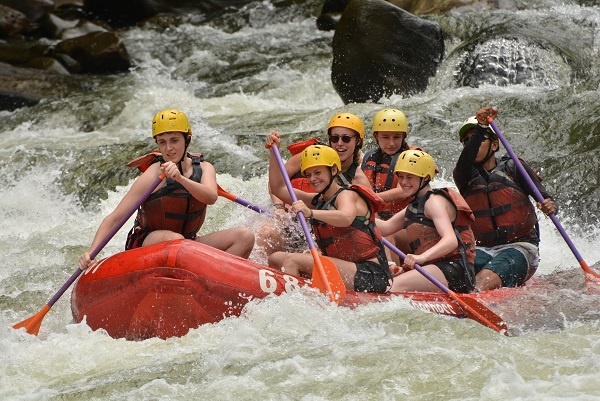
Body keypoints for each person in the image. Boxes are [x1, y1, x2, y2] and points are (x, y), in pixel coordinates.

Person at [78, 109, 255, 270]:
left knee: (244, 236)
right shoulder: (154, 173)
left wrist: (180, 178)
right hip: (148, 241)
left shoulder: (205, 168)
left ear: (187, 139)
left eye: (174, 140)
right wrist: (91, 252)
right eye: (162, 142)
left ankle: (213, 283)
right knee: (176, 241)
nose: (169, 148)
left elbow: (211, 196)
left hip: (188, 243)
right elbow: (115, 218)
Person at [265, 134, 392, 293]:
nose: (313, 179)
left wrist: (310, 213)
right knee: (275, 258)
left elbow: (345, 217)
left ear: (333, 170)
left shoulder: (346, 195)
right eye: (309, 174)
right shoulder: (319, 200)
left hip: (372, 275)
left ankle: (294, 307)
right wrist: (272, 151)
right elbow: (278, 188)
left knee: (292, 260)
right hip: (347, 268)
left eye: (318, 173)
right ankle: (303, 292)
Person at [453, 107, 557, 291]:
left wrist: (549, 204)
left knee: (483, 279)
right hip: (482, 249)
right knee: (454, 272)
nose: (472, 144)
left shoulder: (514, 167)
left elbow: (545, 197)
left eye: (477, 139)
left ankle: (475, 296)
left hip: (521, 248)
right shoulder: (464, 176)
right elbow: (464, 161)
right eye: (467, 141)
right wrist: (480, 129)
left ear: (494, 145)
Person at [256, 112, 370, 256]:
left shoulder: (358, 181)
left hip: (325, 232)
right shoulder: (311, 155)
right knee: (268, 233)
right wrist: (279, 207)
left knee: (304, 255)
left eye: (346, 139)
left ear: (358, 141)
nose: (339, 143)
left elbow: (367, 222)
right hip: (294, 221)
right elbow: (277, 185)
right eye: (335, 138)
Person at [376, 150, 476, 293]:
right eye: (401, 176)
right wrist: (360, 211)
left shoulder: (433, 202)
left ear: (425, 178)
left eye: (410, 177)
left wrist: (421, 257)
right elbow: (385, 228)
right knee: (386, 283)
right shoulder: (415, 205)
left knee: (390, 287)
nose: (404, 182)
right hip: (433, 268)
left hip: (454, 270)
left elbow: (450, 240)